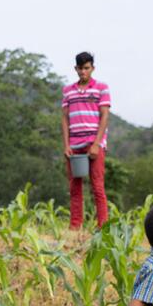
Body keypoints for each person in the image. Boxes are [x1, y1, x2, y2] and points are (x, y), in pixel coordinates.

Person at [60, 51, 111, 231]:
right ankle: (75, 226)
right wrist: (66, 145)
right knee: (75, 187)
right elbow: (65, 119)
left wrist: (97, 143)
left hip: (93, 143)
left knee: (97, 186)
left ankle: (103, 226)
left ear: (92, 68)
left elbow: (105, 116)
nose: (83, 72)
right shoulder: (68, 91)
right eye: (80, 68)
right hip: (74, 145)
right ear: (76, 68)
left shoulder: (101, 88)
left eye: (86, 68)